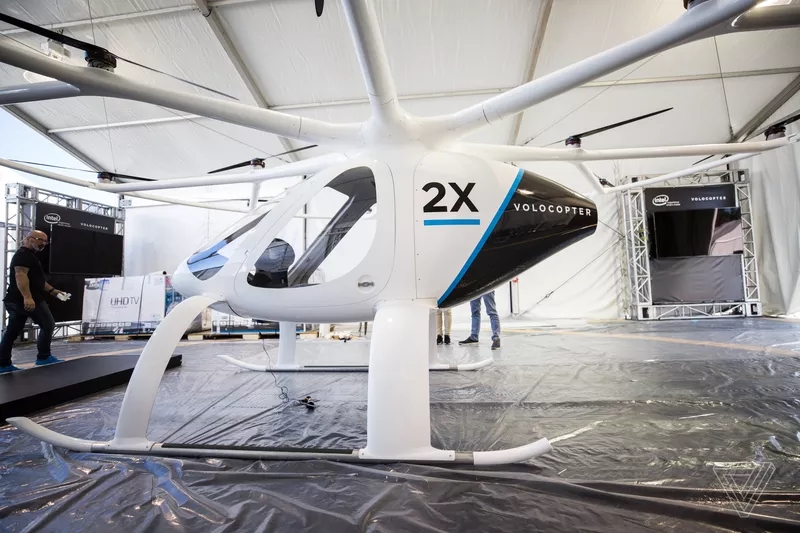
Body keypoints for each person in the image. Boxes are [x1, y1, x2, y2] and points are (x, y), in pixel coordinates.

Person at [0, 230, 67, 373]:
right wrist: (27, 297)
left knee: (12, 331)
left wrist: (53, 291)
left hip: (16, 300)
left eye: (45, 241)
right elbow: (20, 276)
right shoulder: (23, 255)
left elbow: (38, 280)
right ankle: (43, 357)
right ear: (29, 239)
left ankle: (3, 364)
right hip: (27, 299)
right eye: (40, 239)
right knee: (48, 324)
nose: (43, 243)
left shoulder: (30, 256)